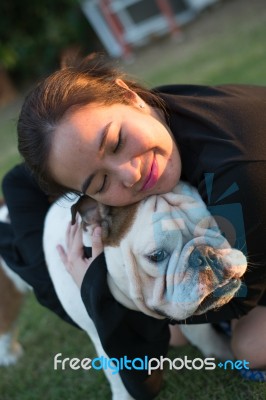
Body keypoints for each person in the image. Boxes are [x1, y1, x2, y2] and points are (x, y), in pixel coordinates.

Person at [5, 53, 266, 397]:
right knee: (170, 327)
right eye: (99, 184)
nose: (130, 173)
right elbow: (17, 183)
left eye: (116, 142)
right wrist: (65, 284)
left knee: (250, 347)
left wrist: (106, 294)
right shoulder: (125, 118)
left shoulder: (234, 175)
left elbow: (237, 296)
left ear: (130, 96)